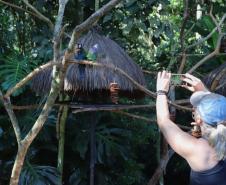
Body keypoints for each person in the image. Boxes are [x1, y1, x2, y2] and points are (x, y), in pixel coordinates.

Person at [156, 71, 226, 185]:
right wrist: (204, 91)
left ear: (198, 120)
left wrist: (161, 91)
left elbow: (163, 122)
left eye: (195, 111)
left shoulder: (197, 150)